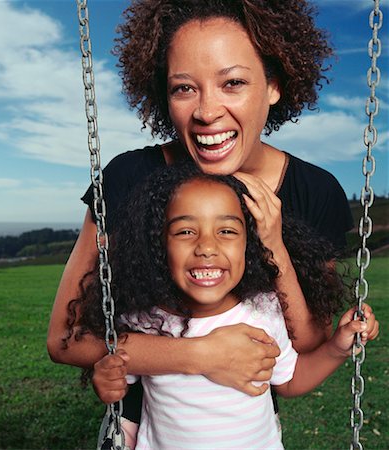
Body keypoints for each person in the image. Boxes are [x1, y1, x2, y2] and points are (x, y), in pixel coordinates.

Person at [47, 0, 354, 428]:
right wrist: (200, 355)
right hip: (143, 430)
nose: (207, 112)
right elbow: (65, 339)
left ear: (273, 86)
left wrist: (275, 243)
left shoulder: (315, 193)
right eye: (184, 88)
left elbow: (308, 343)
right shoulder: (130, 178)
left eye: (232, 83)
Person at [71, 164, 378, 449]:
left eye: (227, 231)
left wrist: (337, 349)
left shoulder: (263, 311)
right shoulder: (147, 318)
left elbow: (291, 379)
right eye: (185, 231)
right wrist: (106, 382)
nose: (206, 247)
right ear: (159, 245)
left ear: (250, 243)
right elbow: (117, 374)